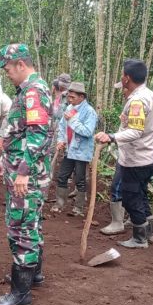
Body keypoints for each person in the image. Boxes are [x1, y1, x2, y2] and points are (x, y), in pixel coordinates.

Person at [0, 43, 52, 305]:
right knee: (32, 225)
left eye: (8, 69)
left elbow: (39, 134)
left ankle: (21, 293)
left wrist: (23, 172)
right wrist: (3, 161)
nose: (7, 74)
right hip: (19, 169)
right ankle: (33, 275)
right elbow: (18, 133)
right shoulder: (26, 90)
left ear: (21, 65)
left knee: (22, 228)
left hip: (27, 176)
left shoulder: (33, 92)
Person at [95, 59, 153, 248]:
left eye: (123, 75)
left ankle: (140, 237)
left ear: (127, 78)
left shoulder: (137, 101)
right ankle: (149, 232)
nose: (121, 79)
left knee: (130, 197)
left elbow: (136, 131)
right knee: (140, 194)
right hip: (147, 156)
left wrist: (111, 136)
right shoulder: (149, 94)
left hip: (137, 159)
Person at [52, 82, 97, 215]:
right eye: (69, 97)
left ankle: (78, 208)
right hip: (69, 149)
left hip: (81, 152)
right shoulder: (69, 108)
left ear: (82, 97)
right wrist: (61, 140)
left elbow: (88, 131)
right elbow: (62, 127)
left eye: (72, 97)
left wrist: (72, 120)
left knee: (80, 180)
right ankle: (59, 204)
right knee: (62, 176)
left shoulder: (89, 112)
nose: (69, 100)